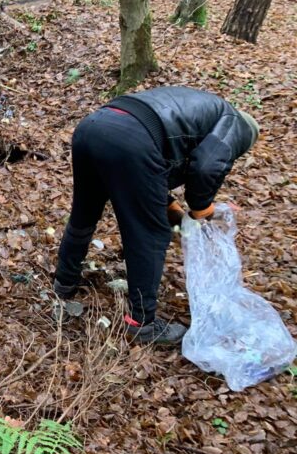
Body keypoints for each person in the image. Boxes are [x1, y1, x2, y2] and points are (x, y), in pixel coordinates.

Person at [53, 86, 260, 344]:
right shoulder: (237, 125)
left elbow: (156, 165)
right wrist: (202, 210)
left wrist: (171, 207)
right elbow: (206, 167)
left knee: (85, 213)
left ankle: (64, 282)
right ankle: (142, 324)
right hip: (130, 139)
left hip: (92, 127)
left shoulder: (203, 110)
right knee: (150, 234)